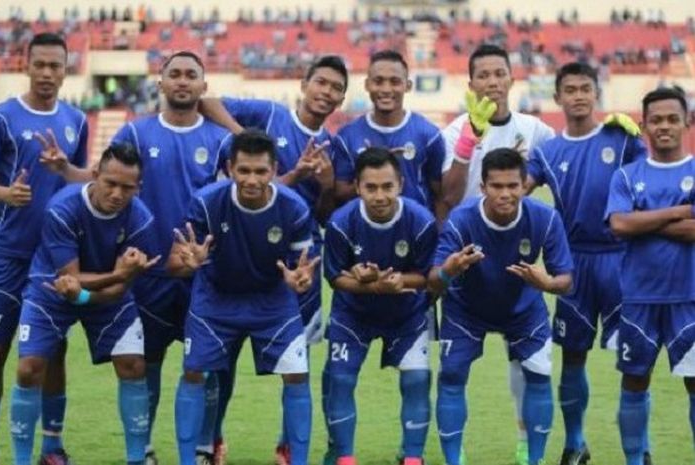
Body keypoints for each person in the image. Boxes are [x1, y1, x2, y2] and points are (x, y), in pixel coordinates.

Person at [199, 55, 348, 464]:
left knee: (295, 359)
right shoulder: (268, 114)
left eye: (336, 88)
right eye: (321, 82)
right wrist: (246, 139)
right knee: (220, 357)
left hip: (298, 258)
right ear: (304, 84)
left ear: (341, 99)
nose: (327, 92)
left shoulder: (334, 148)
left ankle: (288, 446)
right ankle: (211, 441)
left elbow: (326, 215)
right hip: (241, 248)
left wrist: (327, 184)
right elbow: (205, 101)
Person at [168, 129, 320, 465]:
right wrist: (187, 262)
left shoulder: (293, 209)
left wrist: (300, 281)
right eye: (244, 170)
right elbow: (175, 263)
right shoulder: (207, 202)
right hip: (216, 299)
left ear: (274, 170)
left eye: (261, 171)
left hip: (272, 301)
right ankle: (187, 460)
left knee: (297, 374)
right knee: (194, 373)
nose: (252, 179)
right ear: (230, 168)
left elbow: (301, 271)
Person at [111, 50, 232, 465]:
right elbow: (110, 193)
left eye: (191, 75)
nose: (182, 81)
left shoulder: (221, 142)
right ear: (160, 83)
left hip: (205, 275)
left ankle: (201, 449)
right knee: (148, 364)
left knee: (203, 366)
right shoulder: (135, 135)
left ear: (204, 85)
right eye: (174, 74)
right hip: (148, 272)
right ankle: (141, 450)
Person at [526, 62, 648, 465]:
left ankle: (639, 449)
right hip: (572, 262)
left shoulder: (621, 136)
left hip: (620, 259)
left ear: (596, 94)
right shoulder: (546, 152)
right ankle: (575, 444)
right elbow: (514, 190)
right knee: (573, 354)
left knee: (635, 358)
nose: (578, 95)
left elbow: (649, 178)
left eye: (585, 88)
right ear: (557, 97)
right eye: (570, 89)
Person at [440, 44, 555, 464]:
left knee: (527, 365)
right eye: (483, 75)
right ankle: (453, 454)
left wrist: (606, 133)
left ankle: (527, 445)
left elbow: (561, 163)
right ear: (470, 83)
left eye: (498, 73)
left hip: (517, 255)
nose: (492, 81)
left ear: (511, 78)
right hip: (468, 258)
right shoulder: (452, 132)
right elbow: (448, 197)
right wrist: (470, 140)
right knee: (453, 371)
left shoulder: (536, 130)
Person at [10, 143, 157, 465]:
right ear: (94, 175)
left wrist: (95, 290)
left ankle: (136, 459)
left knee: (133, 365)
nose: (118, 193)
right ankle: (32, 457)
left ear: (138, 188)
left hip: (105, 299)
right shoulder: (61, 208)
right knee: (28, 368)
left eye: (127, 187)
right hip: (51, 290)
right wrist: (116, 274)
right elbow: (70, 277)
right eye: (111, 183)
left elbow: (119, 288)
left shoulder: (141, 220)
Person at [430, 148, 574, 465]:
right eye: (497, 186)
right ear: (483, 188)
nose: (506, 194)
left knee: (538, 376)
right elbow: (433, 280)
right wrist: (449, 269)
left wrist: (547, 284)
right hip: (466, 310)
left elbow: (565, 279)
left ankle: (532, 458)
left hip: (524, 310)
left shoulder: (545, 218)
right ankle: (454, 460)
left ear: (525, 186)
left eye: (513, 185)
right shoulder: (461, 220)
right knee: (451, 377)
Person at [0, 32, 89, 465]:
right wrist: (3, 194)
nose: (48, 73)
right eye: (41, 65)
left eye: (56, 65)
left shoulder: (77, 120)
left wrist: (64, 168)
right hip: (7, 252)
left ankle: (52, 445)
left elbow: (84, 181)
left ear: (66, 69)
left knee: (53, 351)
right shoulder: (3, 117)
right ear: (26, 66)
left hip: (56, 256)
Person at [324, 148, 437, 465]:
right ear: (358, 187)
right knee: (341, 379)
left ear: (400, 184)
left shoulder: (422, 222)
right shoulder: (340, 223)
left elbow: (428, 276)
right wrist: (365, 282)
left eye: (387, 186)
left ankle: (412, 456)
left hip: (406, 314)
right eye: (370, 187)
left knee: (416, 379)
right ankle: (345, 457)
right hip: (353, 315)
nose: (379, 196)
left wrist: (397, 281)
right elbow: (334, 277)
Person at [605, 87, 695, 465]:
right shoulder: (627, 175)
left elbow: (634, 223)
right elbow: (620, 223)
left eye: (672, 119)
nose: (664, 126)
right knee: (634, 381)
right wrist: (678, 212)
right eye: (656, 119)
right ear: (643, 126)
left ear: (687, 122)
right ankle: (635, 460)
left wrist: (643, 221)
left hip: (690, 298)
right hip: (639, 299)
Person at [331, 50, 446, 222]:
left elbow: (441, 195)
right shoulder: (346, 136)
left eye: (394, 82)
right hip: (365, 235)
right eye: (378, 81)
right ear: (367, 85)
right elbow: (340, 194)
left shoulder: (429, 135)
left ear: (407, 86)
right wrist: (372, 166)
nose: (386, 89)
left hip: (415, 232)